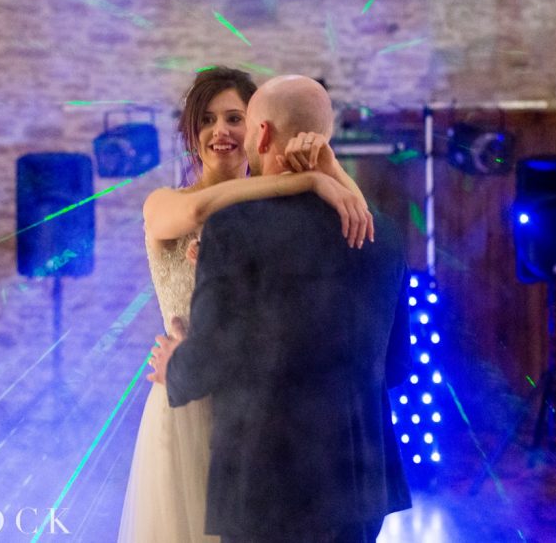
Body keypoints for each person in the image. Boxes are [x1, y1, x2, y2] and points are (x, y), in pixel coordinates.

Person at [149, 74, 412, 543]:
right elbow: (396, 368)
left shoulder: (236, 229)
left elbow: (211, 356)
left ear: (262, 133)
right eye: (208, 120)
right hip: (360, 479)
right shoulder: (383, 234)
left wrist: (178, 366)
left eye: (240, 121)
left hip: (264, 477)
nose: (228, 133)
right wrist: (320, 174)